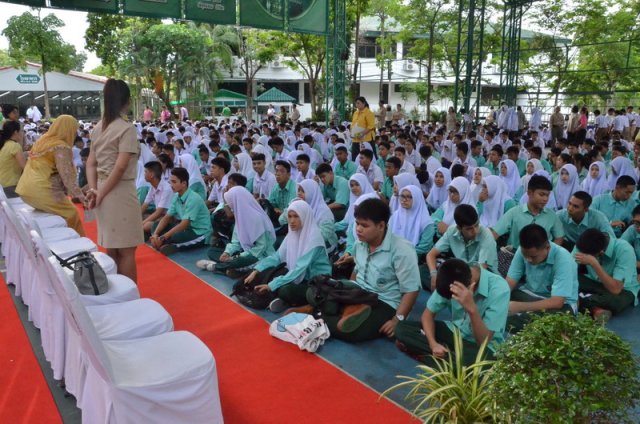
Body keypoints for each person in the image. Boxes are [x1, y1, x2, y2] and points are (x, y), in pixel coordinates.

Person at [293, 198, 421, 342]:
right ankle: (339, 310)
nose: (358, 229)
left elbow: (411, 290)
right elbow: (356, 273)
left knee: (352, 332)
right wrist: (346, 292)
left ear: (381, 225)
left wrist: (397, 319)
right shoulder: (360, 244)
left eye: (364, 225)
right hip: (360, 292)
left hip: (385, 301)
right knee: (315, 290)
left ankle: (316, 313)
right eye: (357, 223)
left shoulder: (402, 250)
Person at [395, 258, 510, 366]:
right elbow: (427, 315)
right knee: (402, 328)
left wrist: (472, 309)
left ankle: (438, 358)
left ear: (470, 285)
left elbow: (483, 341)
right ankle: (447, 359)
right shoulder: (451, 276)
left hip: (481, 345)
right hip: (455, 331)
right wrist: (433, 343)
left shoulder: (499, 289)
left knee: (482, 365)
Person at [85, 80, 143, 281]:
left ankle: (120, 293)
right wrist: (99, 193)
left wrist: (95, 191)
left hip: (102, 190)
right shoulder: (126, 128)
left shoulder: (98, 127)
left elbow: (91, 163)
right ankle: (130, 298)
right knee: (127, 251)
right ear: (127, 101)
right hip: (120, 192)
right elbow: (120, 167)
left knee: (112, 247)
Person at [244, 200, 332, 312]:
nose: (292, 221)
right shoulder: (292, 234)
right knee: (266, 274)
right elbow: (277, 257)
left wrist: (271, 285)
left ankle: (305, 305)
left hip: (316, 284)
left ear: (305, 217)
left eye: (296, 216)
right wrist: (256, 270)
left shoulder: (314, 239)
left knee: (285, 290)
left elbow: (299, 269)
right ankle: (284, 300)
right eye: (289, 216)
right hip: (299, 278)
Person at [16, 115, 85, 235]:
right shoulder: (60, 146)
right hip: (42, 190)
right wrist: (82, 197)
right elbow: (67, 176)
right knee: (71, 213)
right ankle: (78, 247)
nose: (75, 134)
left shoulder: (43, 140)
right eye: (74, 130)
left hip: (25, 188)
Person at [505, 224, 578, 333]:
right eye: (525, 255)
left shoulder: (563, 258)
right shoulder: (523, 250)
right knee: (502, 296)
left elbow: (557, 302)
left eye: (533, 256)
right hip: (529, 294)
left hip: (560, 305)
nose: (528, 260)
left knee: (558, 319)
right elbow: (509, 282)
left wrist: (520, 307)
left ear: (547, 247)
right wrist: (497, 299)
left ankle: (512, 321)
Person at [202, 186, 276, 276]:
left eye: (230, 201)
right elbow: (235, 242)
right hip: (243, 252)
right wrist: (227, 252)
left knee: (240, 261)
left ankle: (217, 267)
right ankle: (231, 268)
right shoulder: (240, 216)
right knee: (212, 251)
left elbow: (260, 248)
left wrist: (238, 257)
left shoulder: (257, 218)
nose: (228, 205)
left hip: (259, 256)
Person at [427, 205, 499, 289]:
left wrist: (454, 285)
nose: (475, 231)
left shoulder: (486, 235)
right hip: (462, 274)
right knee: (425, 272)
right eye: (469, 229)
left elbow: (480, 270)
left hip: (484, 276)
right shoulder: (451, 231)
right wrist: (433, 275)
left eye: (476, 225)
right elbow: (430, 255)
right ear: (459, 228)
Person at [574, 229, 639, 321]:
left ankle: (587, 305)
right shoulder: (585, 243)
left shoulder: (624, 250)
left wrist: (594, 264)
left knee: (615, 302)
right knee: (567, 280)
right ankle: (594, 307)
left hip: (622, 290)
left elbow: (616, 289)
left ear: (601, 253)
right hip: (594, 282)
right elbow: (568, 269)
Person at [149, 167, 212, 255]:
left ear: (184, 183)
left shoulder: (193, 198)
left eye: (174, 182)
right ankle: (161, 242)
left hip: (199, 232)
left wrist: (163, 237)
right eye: (170, 182)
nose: (171, 185)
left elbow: (184, 224)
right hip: (186, 229)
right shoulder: (176, 196)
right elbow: (166, 217)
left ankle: (171, 245)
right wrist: (155, 234)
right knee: (155, 225)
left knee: (175, 236)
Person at [492, 175, 564, 249]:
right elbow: (495, 233)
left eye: (547, 195)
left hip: (543, 258)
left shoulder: (551, 216)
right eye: (541, 194)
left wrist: (548, 252)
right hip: (515, 256)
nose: (545, 199)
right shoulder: (514, 213)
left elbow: (559, 237)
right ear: (529, 193)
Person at [389, 185, 435, 256]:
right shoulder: (395, 216)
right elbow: (387, 237)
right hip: (393, 255)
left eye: (409, 197)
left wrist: (403, 255)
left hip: (415, 259)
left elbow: (424, 248)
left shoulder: (427, 223)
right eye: (402, 196)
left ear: (417, 198)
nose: (404, 200)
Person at [297, 179, 337, 251]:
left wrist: (303, 235)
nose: (299, 193)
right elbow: (282, 220)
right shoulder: (302, 208)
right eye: (298, 190)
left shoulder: (324, 212)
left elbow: (324, 235)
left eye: (303, 191)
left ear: (312, 193)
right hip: (306, 243)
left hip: (324, 246)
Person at [141, 161, 174, 238]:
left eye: (146, 172)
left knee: (146, 225)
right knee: (141, 220)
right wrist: (137, 219)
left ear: (152, 175)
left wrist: (140, 224)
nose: (144, 174)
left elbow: (159, 212)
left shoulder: (166, 189)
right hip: (160, 217)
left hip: (169, 219)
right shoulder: (153, 187)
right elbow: (145, 205)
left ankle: (159, 236)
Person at [0, 120, 26, 197]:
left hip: (3, 184)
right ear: (15, 132)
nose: (22, 134)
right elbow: (24, 166)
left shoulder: (4, 144)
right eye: (21, 131)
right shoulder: (15, 146)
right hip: (12, 185)